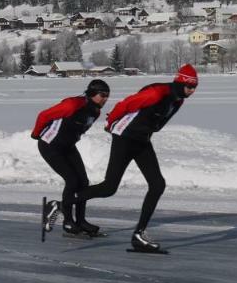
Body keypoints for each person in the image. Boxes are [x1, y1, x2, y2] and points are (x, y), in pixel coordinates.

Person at [76, 63, 198, 253]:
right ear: (180, 82)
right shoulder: (157, 93)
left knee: (157, 184)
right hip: (124, 137)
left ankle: (139, 235)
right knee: (109, 188)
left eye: (194, 87)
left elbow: (159, 120)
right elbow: (125, 105)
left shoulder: (178, 100)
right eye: (189, 86)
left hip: (142, 140)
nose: (192, 91)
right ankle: (61, 204)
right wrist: (110, 123)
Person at [33, 79, 110, 237]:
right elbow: (44, 115)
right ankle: (68, 221)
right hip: (50, 146)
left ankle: (80, 221)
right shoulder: (72, 105)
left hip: (68, 147)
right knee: (72, 181)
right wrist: (36, 134)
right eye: (102, 95)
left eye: (107, 96)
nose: (105, 99)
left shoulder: (95, 111)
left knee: (84, 183)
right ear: (91, 94)